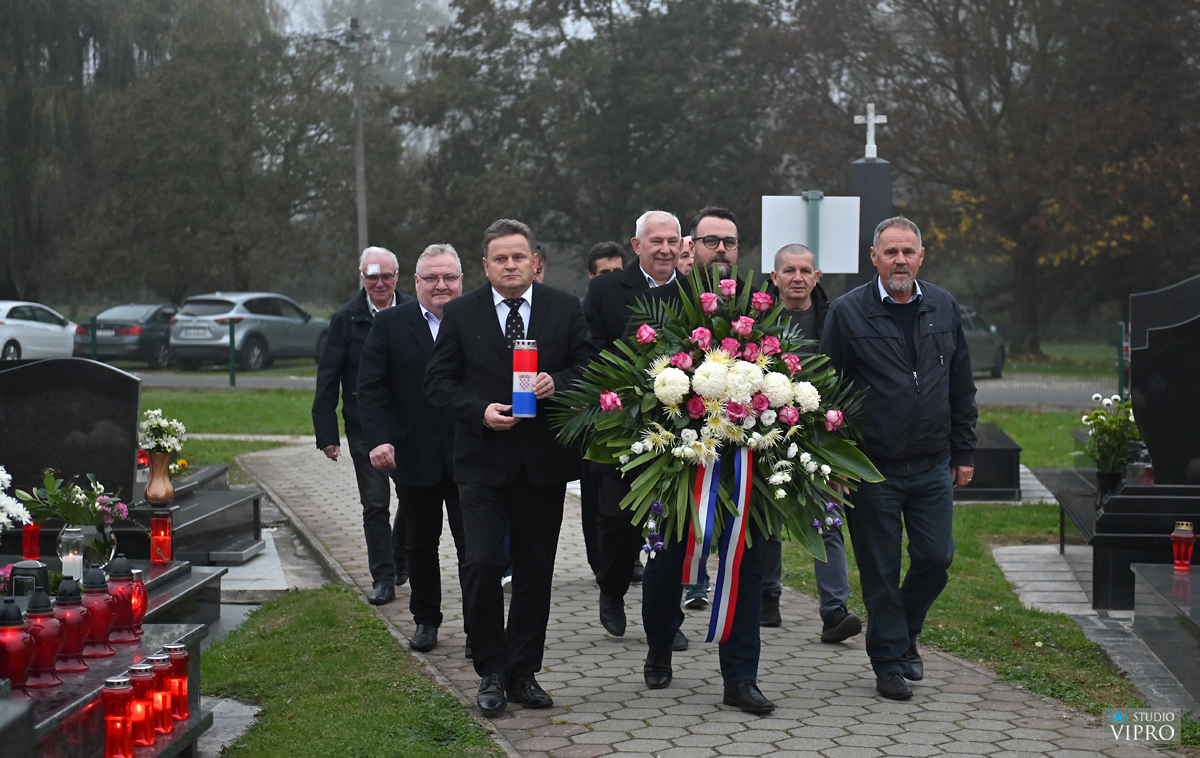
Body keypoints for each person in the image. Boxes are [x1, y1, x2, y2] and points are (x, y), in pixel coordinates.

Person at [425, 219, 597, 718]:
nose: (510, 265)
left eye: (518, 257)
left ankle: (524, 671)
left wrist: (556, 382)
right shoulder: (460, 313)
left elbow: (591, 367)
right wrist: (479, 412)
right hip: (481, 464)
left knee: (535, 571)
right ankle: (491, 670)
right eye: (500, 258)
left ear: (534, 261)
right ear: (485, 265)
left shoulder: (564, 308)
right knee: (480, 564)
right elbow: (437, 383)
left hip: (542, 466)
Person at [819, 216, 977, 701]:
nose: (900, 260)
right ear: (874, 257)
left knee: (936, 557)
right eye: (890, 252)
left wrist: (964, 449)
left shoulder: (944, 307)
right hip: (872, 468)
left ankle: (904, 632)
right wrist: (837, 463)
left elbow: (961, 385)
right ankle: (888, 662)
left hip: (931, 462)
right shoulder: (847, 312)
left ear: (922, 256)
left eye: (908, 251)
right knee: (881, 571)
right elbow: (828, 394)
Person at [631, 206, 774, 714]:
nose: (721, 250)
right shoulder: (667, 302)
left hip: (746, 461)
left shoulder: (763, 307)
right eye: (710, 241)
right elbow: (642, 378)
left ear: (739, 249)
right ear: (693, 247)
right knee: (669, 560)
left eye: (729, 242)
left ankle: (740, 678)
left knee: (746, 564)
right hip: (683, 459)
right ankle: (659, 645)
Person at [583, 211, 689, 647]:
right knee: (616, 519)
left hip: (682, 425)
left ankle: (666, 619)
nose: (665, 249)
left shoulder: (694, 292)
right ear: (637, 245)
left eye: (672, 241)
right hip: (620, 422)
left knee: (672, 524)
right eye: (656, 241)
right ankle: (612, 587)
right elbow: (587, 348)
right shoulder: (606, 289)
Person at [358, 244, 468, 655]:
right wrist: (379, 438)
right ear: (417, 282)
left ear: (461, 280)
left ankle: (479, 626)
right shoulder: (389, 324)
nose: (442, 286)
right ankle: (426, 620)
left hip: (470, 455)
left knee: (474, 548)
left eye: (450, 278)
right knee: (421, 545)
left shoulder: (478, 318)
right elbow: (371, 389)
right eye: (433, 278)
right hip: (413, 454)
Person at [760, 245, 862, 643]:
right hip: (766, 430)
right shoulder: (757, 321)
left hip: (821, 436)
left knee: (828, 520)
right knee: (766, 519)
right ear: (775, 277)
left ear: (817, 277)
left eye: (805, 270)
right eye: (789, 270)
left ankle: (834, 611)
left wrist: (843, 446)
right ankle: (768, 598)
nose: (797, 277)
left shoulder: (834, 319)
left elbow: (848, 380)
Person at [312, 247, 412, 606]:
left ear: (398, 276)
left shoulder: (413, 312)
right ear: (362, 277)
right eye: (372, 276)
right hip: (363, 426)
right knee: (375, 504)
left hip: (407, 425)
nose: (380, 283)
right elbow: (328, 377)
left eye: (386, 276)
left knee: (414, 497)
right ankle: (383, 578)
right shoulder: (347, 319)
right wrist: (326, 433)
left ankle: (400, 554)